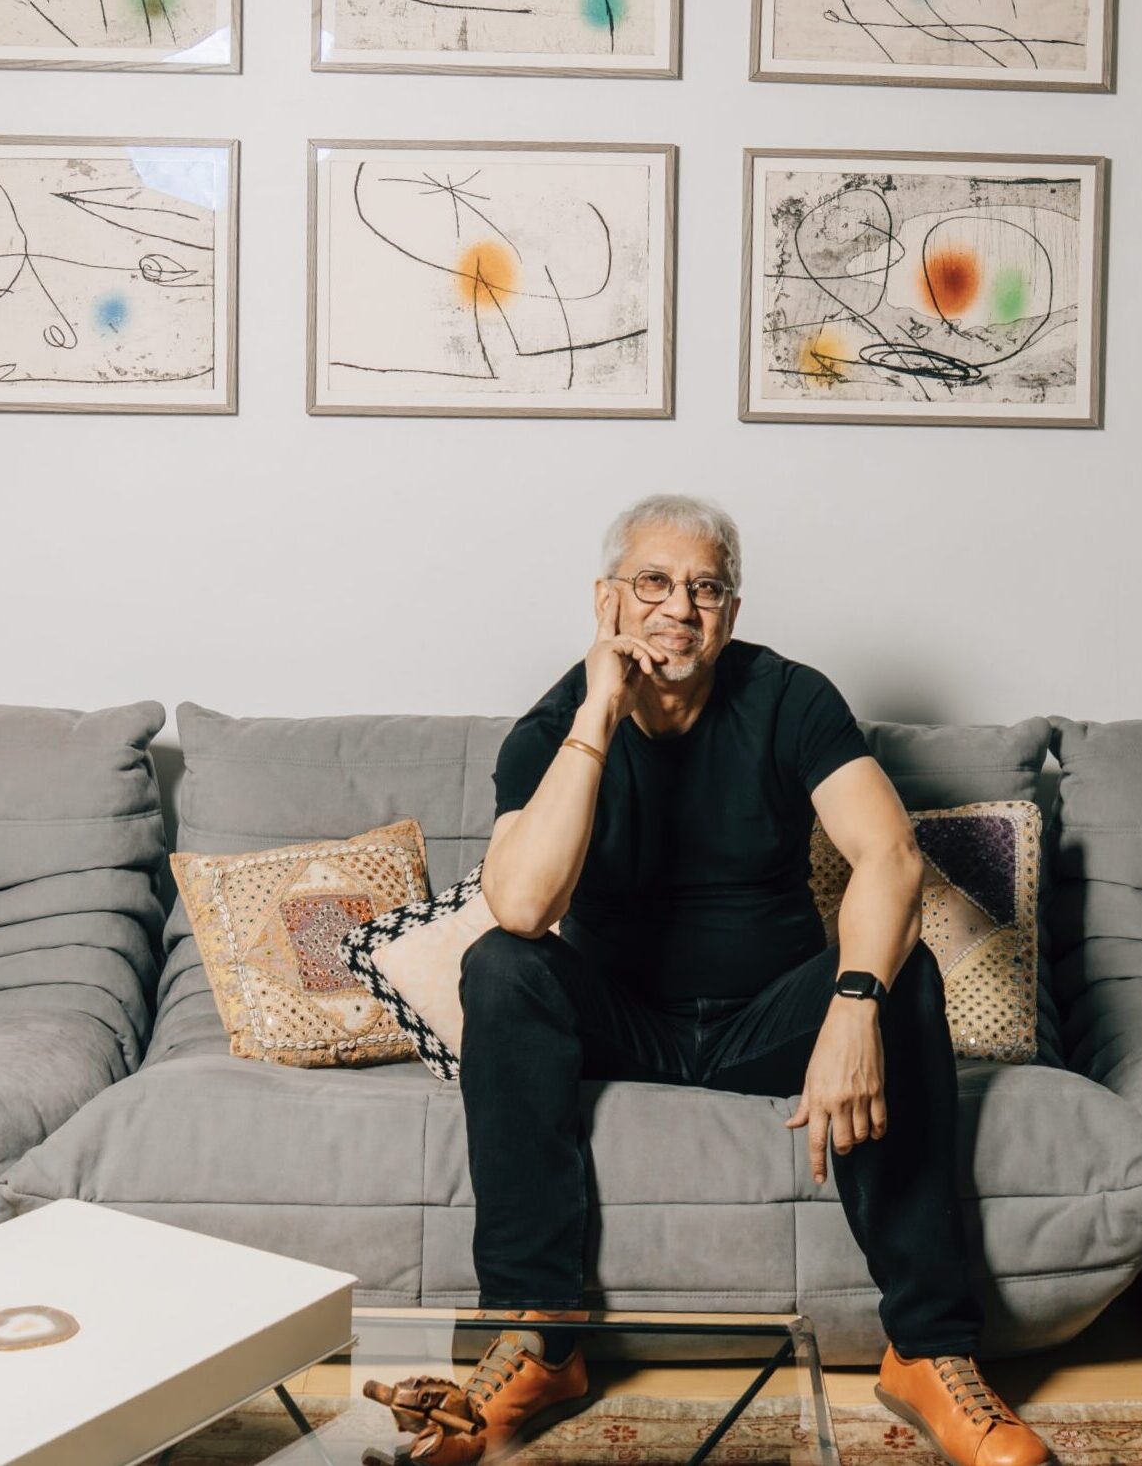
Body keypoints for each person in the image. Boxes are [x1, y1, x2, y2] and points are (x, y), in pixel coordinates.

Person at [386, 494, 1051, 1466]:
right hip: (623, 1019)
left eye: (705, 588)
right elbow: (523, 907)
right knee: (501, 966)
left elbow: (890, 858)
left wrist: (852, 1009)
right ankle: (538, 1340)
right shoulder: (552, 728)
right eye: (652, 583)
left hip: (762, 1018)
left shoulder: (788, 698)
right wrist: (599, 713)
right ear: (607, 599)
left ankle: (927, 1354)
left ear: (731, 611)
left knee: (896, 974)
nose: (678, 609)